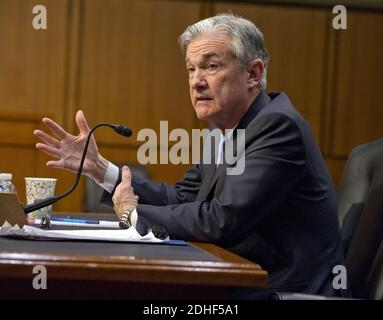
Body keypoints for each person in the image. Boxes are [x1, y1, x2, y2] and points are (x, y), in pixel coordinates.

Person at [34, 13, 349, 299]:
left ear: (253, 74)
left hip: (282, 289)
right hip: (244, 279)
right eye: (191, 68)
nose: (197, 81)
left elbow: (222, 219)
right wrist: (101, 170)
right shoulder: (222, 130)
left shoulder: (277, 127)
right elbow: (183, 197)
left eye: (211, 66)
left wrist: (133, 215)